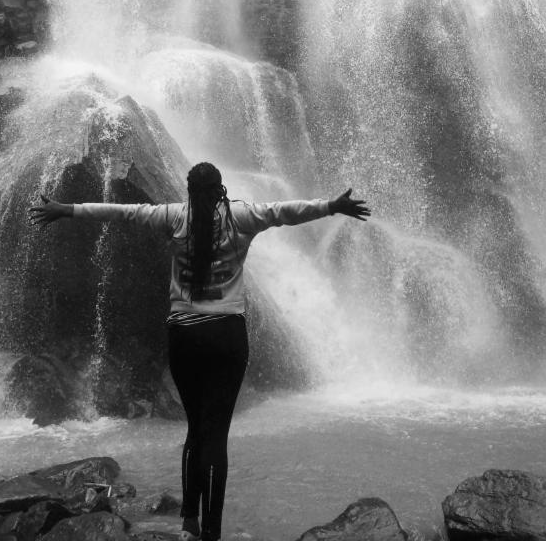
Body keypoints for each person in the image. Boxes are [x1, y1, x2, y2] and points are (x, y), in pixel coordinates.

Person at [28, 162, 370, 541]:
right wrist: (332, 206)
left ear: (189, 191)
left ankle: (189, 520)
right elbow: (284, 211)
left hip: (184, 335)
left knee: (195, 430)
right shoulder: (241, 218)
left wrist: (66, 210)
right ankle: (211, 531)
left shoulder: (174, 217)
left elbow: (120, 213)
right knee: (215, 436)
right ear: (221, 189)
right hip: (226, 335)